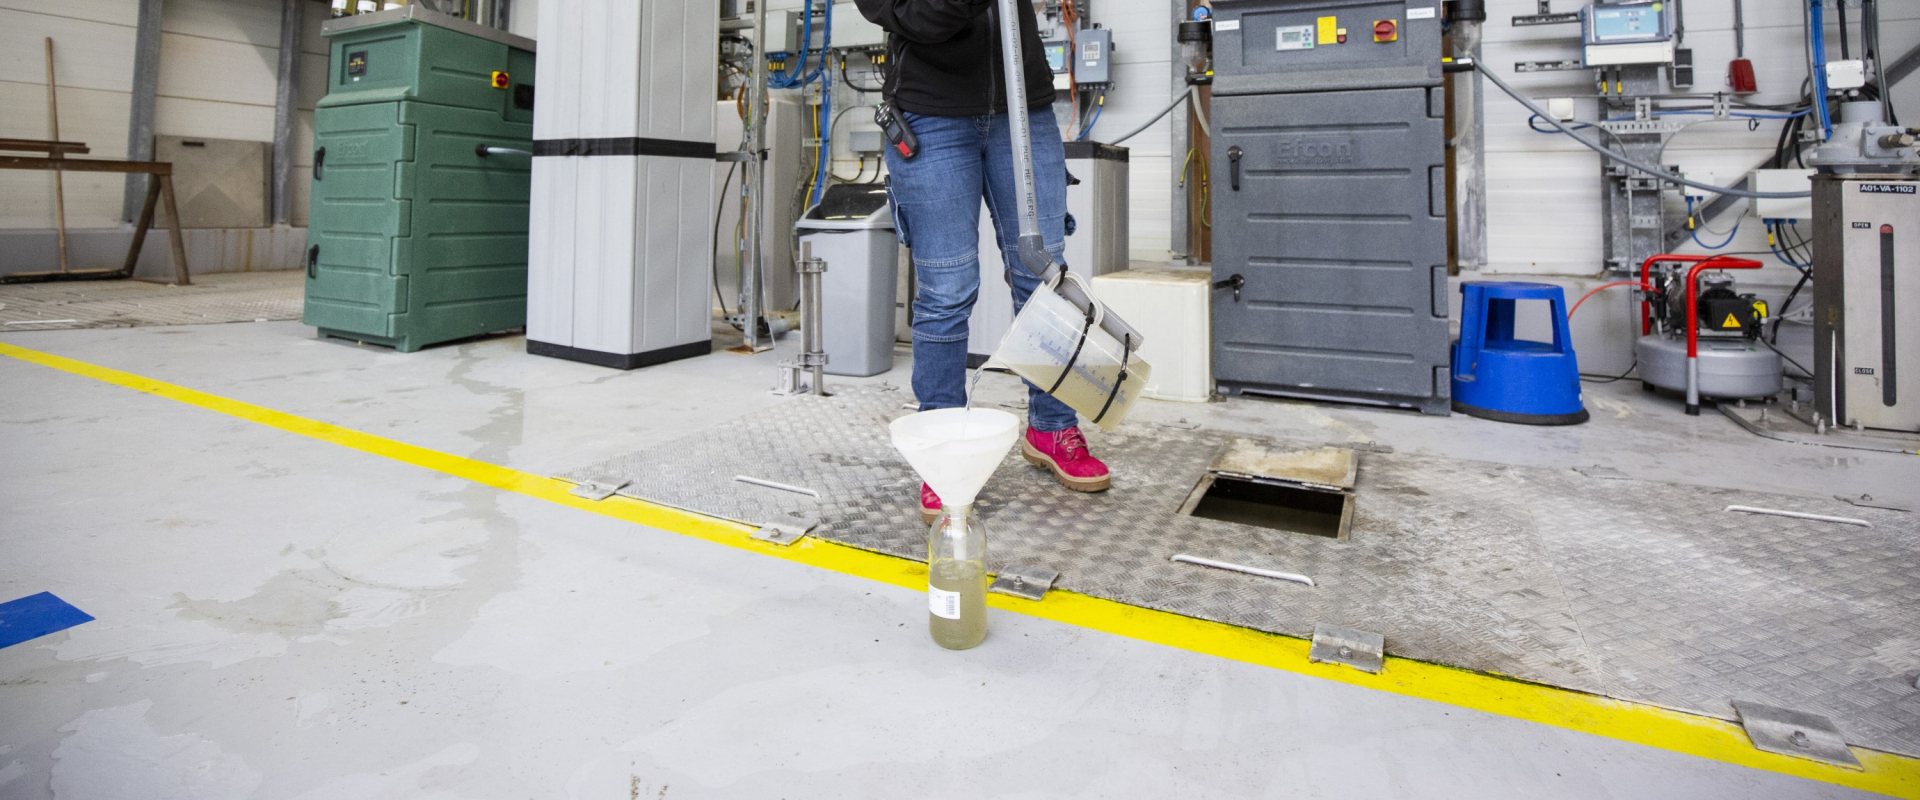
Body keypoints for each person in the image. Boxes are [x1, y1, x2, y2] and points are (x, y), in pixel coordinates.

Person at [854, 0, 1110, 522]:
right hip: (930, 116)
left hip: (1024, 107)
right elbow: (920, 18)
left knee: (1043, 279)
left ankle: (1051, 426)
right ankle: (942, 442)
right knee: (948, 288)